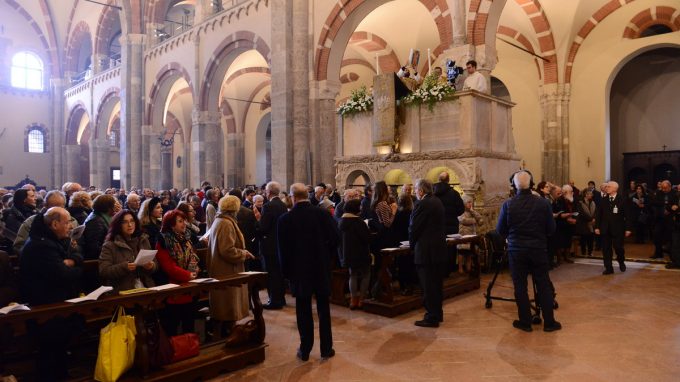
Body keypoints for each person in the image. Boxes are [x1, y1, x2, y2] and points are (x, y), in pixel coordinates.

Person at [277, 183, 339, 361]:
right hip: (320, 267)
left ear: (293, 197)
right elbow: (335, 238)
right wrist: (327, 256)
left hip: (299, 271)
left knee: (303, 310)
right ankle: (326, 349)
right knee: (323, 309)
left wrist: (286, 273)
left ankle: (305, 350)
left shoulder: (285, 220)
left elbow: (283, 251)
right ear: (307, 195)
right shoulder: (321, 214)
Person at [20, 207, 84, 380]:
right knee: (50, 353)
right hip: (47, 308)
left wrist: (72, 261)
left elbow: (76, 257)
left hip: (57, 306)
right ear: (54, 224)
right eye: (67, 222)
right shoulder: (41, 246)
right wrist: (77, 268)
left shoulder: (53, 240)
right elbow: (62, 275)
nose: (71, 226)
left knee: (59, 350)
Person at [496, 171, 561, 332]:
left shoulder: (508, 204)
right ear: (531, 184)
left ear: (514, 186)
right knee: (543, 284)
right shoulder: (543, 203)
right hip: (538, 249)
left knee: (520, 286)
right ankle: (549, 323)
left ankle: (525, 322)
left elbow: (500, 230)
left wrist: (513, 237)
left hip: (516, 250)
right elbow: (551, 229)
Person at [207, 195, 255, 338]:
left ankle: (227, 332)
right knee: (227, 306)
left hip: (223, 269)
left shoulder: (221, 220)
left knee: (225, 306)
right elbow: (227, 250)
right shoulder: (226, 223)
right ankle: (227, 336)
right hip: (227, 270)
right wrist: (243, 253)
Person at [409, 179, 447, 327]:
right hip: (438, 249)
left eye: (415, 189)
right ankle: (437, 314)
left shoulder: (422, 204)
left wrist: (412, 245)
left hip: (426, 251)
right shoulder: (436, 201)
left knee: (428, 285)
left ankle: (431, 317)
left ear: (421, 191)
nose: (415, 192)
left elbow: (414, 227)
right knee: (436, 285)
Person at [156, 210, 200, 336]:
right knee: (172, 327)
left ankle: (190, 350)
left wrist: (195, 269)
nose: (184, 224)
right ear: (171, 224)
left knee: (189, 325)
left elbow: (193, 255)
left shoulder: (186, 237)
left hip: (189, 287)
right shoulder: (163, 240)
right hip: (173, 288)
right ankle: (174, 352)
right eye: (180, 221)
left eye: (184, 221)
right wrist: (187, 275)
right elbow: (168, 266)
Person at [99, 210, 156, 292]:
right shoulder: (110, 245)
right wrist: (124, 267)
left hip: (146, 285)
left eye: (132, 221)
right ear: (118, 225)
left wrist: (151, 266)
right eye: (124, 222)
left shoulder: (143, 239)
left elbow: (155, 263)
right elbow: (104, 271)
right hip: (123, 289)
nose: (130, 225)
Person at [256, 181, 288, 309]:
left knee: (271, 274)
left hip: (269, 245)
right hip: (280, 243)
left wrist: (258, 221)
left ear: (268, 192)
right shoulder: (282, 204)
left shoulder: (268, 206)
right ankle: (281, 298)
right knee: (278, 273)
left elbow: (264, 227)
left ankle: (274, 300)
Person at [595, 181, 633, 275]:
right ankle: (608, 268)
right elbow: (598, 214)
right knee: (606, 249)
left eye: (608, 186)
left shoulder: (623, 199)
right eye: (606, 186)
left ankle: (621, 261)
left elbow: (628, 215)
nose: (606, 188)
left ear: (615, 188)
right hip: (605, 228)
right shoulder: (603, 200)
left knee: (618, 247)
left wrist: (628, 228)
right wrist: (597, 227)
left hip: (618, 228)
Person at [339, 199, 371, 310]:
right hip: (360, 253)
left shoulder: (341, 221)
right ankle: (361, 299)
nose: (361, 208)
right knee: (366, 274)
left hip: (347, 254)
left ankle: (353, 300)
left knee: (352, 275)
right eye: (360, 206)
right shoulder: (359, 222)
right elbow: (367, 239)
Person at [392, 192, 417, 294]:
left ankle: (403, 286)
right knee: (410, 263)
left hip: (400, 242)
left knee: (402, 265)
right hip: (410, 241)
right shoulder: (412, 213)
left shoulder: (397, 214)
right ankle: (411, 285)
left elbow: (394, 228)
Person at [82, 194, 119, 260]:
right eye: (114, 204)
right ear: (108, 207)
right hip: (98, 260)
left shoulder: (100, 216)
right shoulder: (95, 221)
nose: (116, 207)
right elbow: (94, 248)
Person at [650, 180, 677, 259]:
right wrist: (666, 205)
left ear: (670, 186)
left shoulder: (675, 193)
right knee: (656, 235)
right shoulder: (659, 192)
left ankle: (672, 254)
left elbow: (675, 205)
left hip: (670, 219)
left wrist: (669, 209)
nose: (663, 190)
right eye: (662, 188)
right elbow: (654, 202)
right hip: (659, 218)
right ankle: (658, 253)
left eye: (665, 188)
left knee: (670, 237)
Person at [458, 194, 484, 274]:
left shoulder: (472, 212)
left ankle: (468, 267)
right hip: (463, 234)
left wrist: (473, 212)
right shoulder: (460, 211)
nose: (470, 204)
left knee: (469, 252)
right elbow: (463, 220)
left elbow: (481, 221)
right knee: (461, 252)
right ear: (464, 203)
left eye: (471, 202)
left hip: (471, 235)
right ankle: (460, 268)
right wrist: (474, 220)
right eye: (468, 202)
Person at [576, 189, 597, 257]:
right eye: (590, 194)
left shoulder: (593, 202)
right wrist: (591, 219)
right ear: (586, 194)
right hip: (583, 223)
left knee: (591, 239)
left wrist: (594, 218)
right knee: (583, 239)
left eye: (591, 194)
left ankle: (590, 252)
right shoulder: (580, 202)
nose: (592, 195)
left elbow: (595, 212)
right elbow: (582, 213)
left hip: (591, 224)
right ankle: (583, 252)